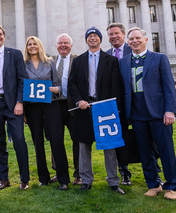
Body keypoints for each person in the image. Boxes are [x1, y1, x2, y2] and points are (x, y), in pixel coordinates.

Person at [119, 27, 176, 200]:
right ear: (127, 42)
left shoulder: (159, 59)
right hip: (137, 114)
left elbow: (169, 87)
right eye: (131, 39)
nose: (134, 41)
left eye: (138, 38)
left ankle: (171, 186)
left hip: (158, 113)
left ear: (146, 40)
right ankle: (153, 184)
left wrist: (170, 110)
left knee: (166, 150)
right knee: (145, 152)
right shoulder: (124, 62)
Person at [68, 27, 125, 195]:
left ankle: (113, 181)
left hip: (105, 108)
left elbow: (116, 86)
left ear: (100, 39)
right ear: (86, 40)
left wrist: (116, 108)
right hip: (85, 108)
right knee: (84, 146)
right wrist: (79, 100)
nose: (92, 39)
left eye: (95, 36)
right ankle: (86, 180)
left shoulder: (111, 60)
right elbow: (72, 84)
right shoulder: (78, 61)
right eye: (89, 36)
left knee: (109, 146)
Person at [0, 25, 30, 190]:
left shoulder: (14, 54)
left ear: (4, 36)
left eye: (0, 34)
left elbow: (22, 79)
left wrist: (20, 102)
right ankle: (4, 179)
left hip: (12, 104)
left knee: (19, 141)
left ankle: (24, 179)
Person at [23, 36, 69, 190]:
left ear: (39, 45)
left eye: (34, 43)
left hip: (50, 105)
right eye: (29, 44)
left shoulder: (50, 62)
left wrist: (57, 90)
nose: (32, 46)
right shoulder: (23, 65)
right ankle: (44, 177)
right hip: (32, 107)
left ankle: (63, 179)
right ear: (27, 47)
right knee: (38, 142)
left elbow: (57, 84)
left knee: (57, 140)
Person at [50, 33, 81, 185]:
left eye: (66, 43)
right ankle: (58, 171)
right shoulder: (50, 61)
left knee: (77, 139)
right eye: (60, 43)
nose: (63, 45)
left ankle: (79, 173)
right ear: (56, 45)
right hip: (55, 105)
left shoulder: (78, 60)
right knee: (56, 140)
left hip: (73, 107)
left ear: (71, 45)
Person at [106, 22, 133, 186]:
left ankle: (154, 173)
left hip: (135, 103)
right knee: (119, 139)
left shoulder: (134, 50)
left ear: (124, 35)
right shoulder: (107, 55)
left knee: (145, 139)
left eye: (116, 33)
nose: (114, 37)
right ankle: (124, 172)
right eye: (111, 34)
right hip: (116, 105)